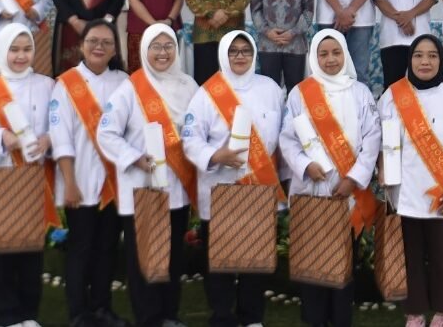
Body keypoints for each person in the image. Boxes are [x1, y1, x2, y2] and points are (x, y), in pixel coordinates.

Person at [379, 34, 443, 327]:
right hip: (404, 195)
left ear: (442, 60)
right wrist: (382, 169)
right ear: (409, 60)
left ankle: (441, 314)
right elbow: (381, 142)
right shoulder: (392, 96)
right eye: (418, 55)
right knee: (408, 258)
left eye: (432, 55)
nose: (425, 61)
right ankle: (414, 313)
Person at [96, 23, 198, 327]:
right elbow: (107, 132)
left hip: (177, 187)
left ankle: (169, 314)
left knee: (172, 257)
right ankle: (149, 318)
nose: (163, 53)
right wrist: (134, 158)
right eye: (156, 46)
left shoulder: (188, 86)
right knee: (145, 259)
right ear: (144, 50)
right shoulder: (130, 88)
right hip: (143, 188)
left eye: (168, 46)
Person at [182, 31, 285, 327]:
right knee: (221, 261)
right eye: (234, 51)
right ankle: (223, 316)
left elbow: (283, 135)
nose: (240, 56)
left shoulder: (270, 89)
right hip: (221, 187)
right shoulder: (206, 93)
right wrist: (216, 156)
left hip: (259, 185)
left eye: (245, 51)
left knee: (255, 259)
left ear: (253, 54)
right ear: (224, 55)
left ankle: (251, 318)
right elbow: (190, 139)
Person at [280, 30, 381, 327]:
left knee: (342, 262)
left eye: (336, 52)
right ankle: (314, 319)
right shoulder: (300, 93)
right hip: (310, 191)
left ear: (345, 55)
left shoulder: (360, 92)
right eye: (323, 54)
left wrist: (354, 178)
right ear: (314, 57)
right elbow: (287, 139)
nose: (330, 59)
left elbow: (372, 139)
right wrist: (305, 165)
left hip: (347, 194)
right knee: (311, 263)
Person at [0, 25, 56, 327]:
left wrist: (48, 140)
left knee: (31, 251)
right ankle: (7, 316)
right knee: (5, 253)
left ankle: (29, 315)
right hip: (2, 176)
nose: (20, 56)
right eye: (14, 49)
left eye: (26, 49)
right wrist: (2, 137)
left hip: (33, 177)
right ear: (3, 51)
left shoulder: (47, 85)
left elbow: (59, 125)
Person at [49, 20, 129, 327]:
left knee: (107, 249)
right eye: (93, 41)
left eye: (106, 43)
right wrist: (69, 182)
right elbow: (61, 137)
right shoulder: (66, 83)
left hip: (114, 183)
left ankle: (101, 308)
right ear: (82, 45)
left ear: (114, 49)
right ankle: (78, 314)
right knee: (81, 250)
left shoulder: (124, 81)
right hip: (79, 182)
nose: (99, 47)